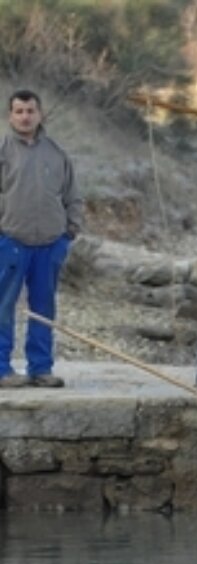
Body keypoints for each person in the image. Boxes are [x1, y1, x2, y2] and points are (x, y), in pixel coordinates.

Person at [0, 89, 82, 389]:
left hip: (50, 244)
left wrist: (70, 231)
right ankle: (1, 370)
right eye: (19, 111)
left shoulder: (57, 152)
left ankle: (41, 368)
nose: (25, 117)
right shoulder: (3, 150)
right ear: (10, 115)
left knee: (43, 309)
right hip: (10, 242)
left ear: (40, 114)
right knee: (3, 307)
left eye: (30, 111)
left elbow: (72, 195)